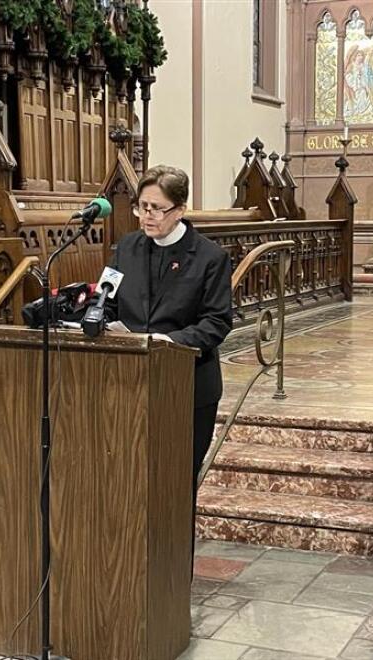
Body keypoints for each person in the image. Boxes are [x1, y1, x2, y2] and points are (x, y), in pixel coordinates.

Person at [107, 165, 233, 562]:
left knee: (175, 483)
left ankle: (173, 572)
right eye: (141, 206)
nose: (147, 216)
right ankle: (128, 563)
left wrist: (170, 341)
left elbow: (216, 322)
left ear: (179, 210)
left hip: (187, 385)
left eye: (156, 208)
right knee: (128, 476)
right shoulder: (126, 248)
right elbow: (106, 301)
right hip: (129, 382)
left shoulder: (210, 257)